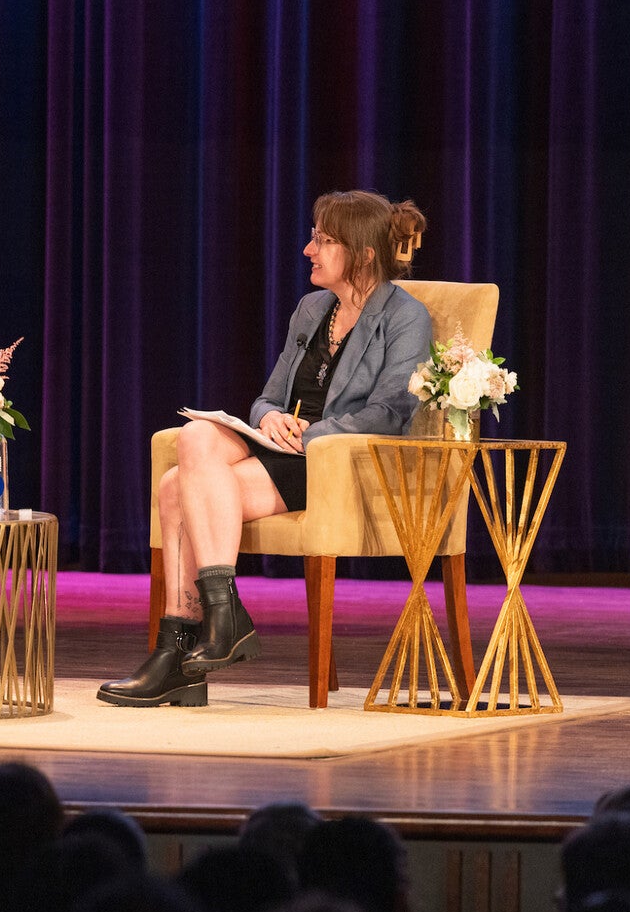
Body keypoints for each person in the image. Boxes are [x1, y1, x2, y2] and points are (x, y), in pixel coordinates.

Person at [98, 190, 430, 707]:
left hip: (337, 464)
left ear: (364, 253)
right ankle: (221, 616)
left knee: (172, 490)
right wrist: (269, 417)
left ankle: (177, 650)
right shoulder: (312, 308)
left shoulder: (405, 316)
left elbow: (393, 410)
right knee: (197, 435)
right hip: (285, 448)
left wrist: (313, 435)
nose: (307, 249)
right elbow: (270, 397)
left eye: (323, 239)